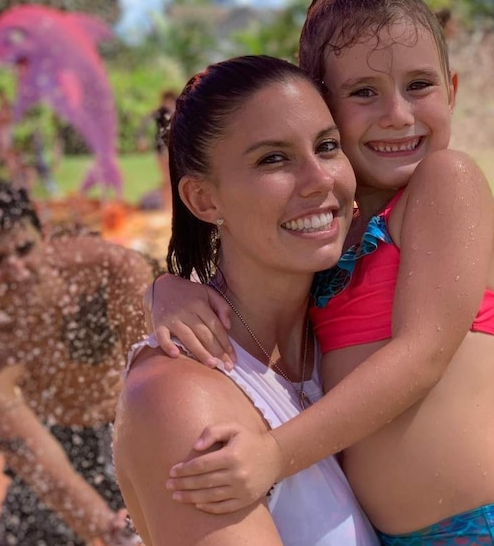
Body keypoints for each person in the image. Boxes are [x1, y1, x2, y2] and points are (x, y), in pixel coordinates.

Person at [146, 0, 494, 545]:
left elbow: (422, 356)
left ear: (453, 90)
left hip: (491, 529)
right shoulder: (333, 234)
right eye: (364, 93)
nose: (398, 115)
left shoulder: (449, 183)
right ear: (322, 103)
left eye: (419, 85)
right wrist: (167, 290)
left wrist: (275, 453)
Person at [113, 55, 378, 546]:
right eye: (272, 159)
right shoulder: (181, 397)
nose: (320, 179)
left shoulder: (359, 333)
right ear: (204, 201)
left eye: (327, 146)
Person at [0, 179, 153, 546]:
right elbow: (33, 455)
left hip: (135, 428)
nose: (17, 270)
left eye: (24, 249)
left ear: (43, 234)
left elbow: (160, 377)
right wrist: (108, 528)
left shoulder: (107, 270)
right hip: (56, 443)